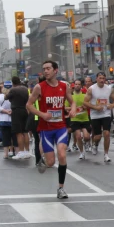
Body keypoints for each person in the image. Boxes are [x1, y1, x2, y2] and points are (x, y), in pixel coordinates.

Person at [26, 60, 77, 198]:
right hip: (46, 128)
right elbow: (29, 105)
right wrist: (42, 114)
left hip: (60, 126)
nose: (46, 71)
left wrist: (72, 110)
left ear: (56, 70)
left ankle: (61, 188)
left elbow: (72, 102)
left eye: (48, 68)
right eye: (44, 69)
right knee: (51, 162)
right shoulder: (39, 87)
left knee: (61, 154)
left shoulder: (64, 86)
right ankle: (42, 158)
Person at [86, 72, 114, 162]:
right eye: (100, 78)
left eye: (103, 78)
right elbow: (85, 102)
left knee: (107, 134)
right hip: (95, 115)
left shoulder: (109, 89)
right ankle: (95, 145)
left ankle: (106, 154)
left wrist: (112, 105)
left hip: (106, 114)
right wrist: (95, 107)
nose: (102, 80)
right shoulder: (91, 89)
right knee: (98, 136)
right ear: (96, 79)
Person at [8, 76, 31, 159]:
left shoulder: (13, 90)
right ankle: (27, 151)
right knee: (25, 132)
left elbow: (6, 97)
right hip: (24, 110)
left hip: (16, 111)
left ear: (13, 82)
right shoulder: (25, 89)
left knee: (18, 132)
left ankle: (21, 151)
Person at [69, 80, 92, 159]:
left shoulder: (85, 96)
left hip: (84, 119)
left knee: (86, 137)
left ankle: (87, 142)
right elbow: (65, 107)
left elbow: (88, 105)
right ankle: (82, 153)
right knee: (78, 136)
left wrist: (85, 107)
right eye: (76, 84)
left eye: (79, 84)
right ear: (74, 85)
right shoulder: (70, 96)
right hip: (75, 119)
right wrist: (73, 108)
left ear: (81, 86)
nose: (77, 85)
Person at [0, 86, 14, 158]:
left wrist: (5, 111)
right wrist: (11, 111)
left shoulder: (0, 97)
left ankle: (6, 153)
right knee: (13, 136)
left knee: (5, 137)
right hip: (12, 119)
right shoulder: (13, 96)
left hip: (3, 119)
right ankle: (12, 151)